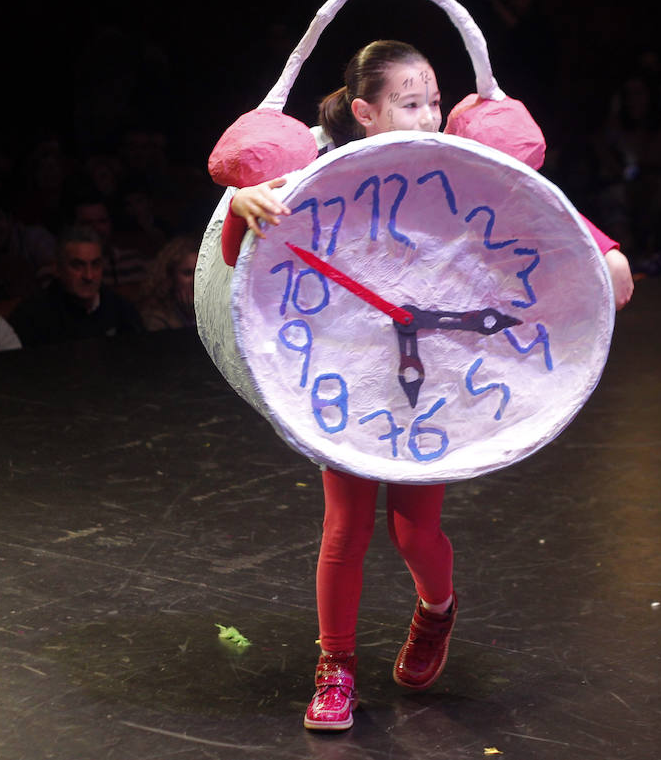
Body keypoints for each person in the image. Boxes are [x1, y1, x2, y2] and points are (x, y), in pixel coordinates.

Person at [222, 40, 633, 732]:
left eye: (436, 102)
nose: (430, 117)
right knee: (345, 528)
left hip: (433, 389)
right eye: (411, 104)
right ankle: (336, 668)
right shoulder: (326, 180)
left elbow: (566, 238)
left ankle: (437, 610)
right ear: (366, 112)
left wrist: (603, 253)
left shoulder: (469, 176)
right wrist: (243, 199)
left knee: (415, 535)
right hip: (349, 386)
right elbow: (242, 255)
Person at [8, 226, 144, 347]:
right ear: (58, 269)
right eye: (77, 265)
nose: (89, 276)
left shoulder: (120, 308)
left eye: (95, 264)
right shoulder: (31, 316)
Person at [136, 235, 197, 331]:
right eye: (187, 273)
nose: (195, 281)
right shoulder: (155, 318)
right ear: (170, 277)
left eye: (199, 273)